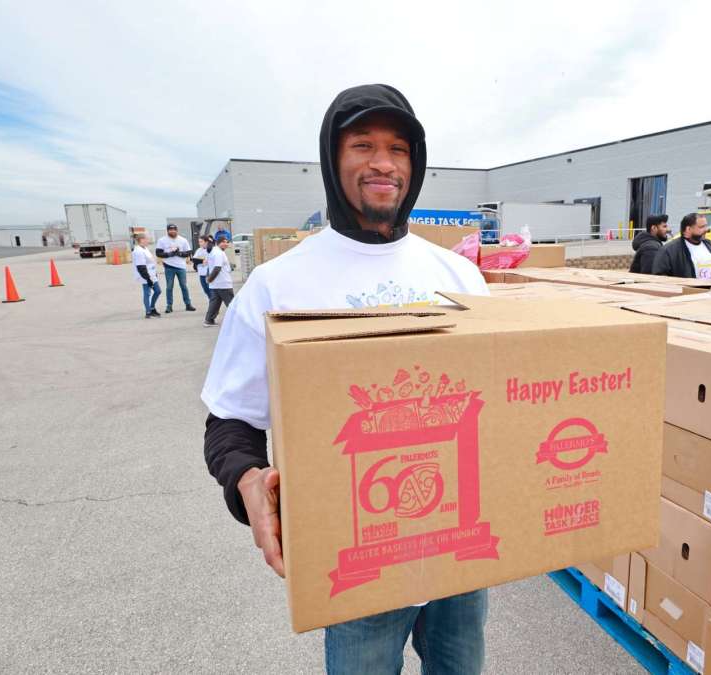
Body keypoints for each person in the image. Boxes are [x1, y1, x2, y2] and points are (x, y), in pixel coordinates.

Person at [200, 84, 489, 674]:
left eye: (399, 149)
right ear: (333, 161)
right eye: (363, 145)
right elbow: (230, 422)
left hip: (460, 558)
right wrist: (247, 481)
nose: (383, 162)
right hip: (359, 561)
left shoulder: (460, 277)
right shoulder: (279, 287)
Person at [651, 212, 711, 280]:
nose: (707, 230)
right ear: (688, 229)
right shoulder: (668, 251)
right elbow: (660, 278)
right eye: (702, 227)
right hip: (691, 293)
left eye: (706, 226)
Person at [155, 224, 196, 313]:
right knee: (169, 287)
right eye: (170, 230)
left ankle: (188, 304)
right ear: (167, 230)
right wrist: (169, 254)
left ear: (177, 230)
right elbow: (158, 253)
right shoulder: (162, 240)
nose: (172, 231)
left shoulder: (183, 240)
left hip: (181, 267)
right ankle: (169, 306)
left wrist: (179, 253)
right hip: (169, 267)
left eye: (174, 230)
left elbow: (189, 252)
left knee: (184, 286)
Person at [202, 234, 234, 327]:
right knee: (231, 303)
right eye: (223, 242)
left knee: (214, 303)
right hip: (223, 283)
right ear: (218, 243)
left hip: (216, 284)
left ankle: (209, 320)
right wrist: (209, 279)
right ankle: (238, 320)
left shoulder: (213, 252)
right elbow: (217, 268)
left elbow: (212, 266)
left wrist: (210, 279)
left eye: (227, 242)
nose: (226, 244)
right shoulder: (219, 253)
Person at [132, 233, 161, 318]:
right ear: (142, 240)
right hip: (145, 275)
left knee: (158, 291)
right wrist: (148, 279)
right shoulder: (138, 251)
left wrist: (154, 273)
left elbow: (150, 262)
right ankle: (148, 312)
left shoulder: (145, 248)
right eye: (147, 239)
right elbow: (141, 267)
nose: (148, 240)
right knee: (147, 293)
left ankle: (152, 308)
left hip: (151, 274)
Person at [192, 235, 212, 299]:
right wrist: (202, 261)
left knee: (211, 290)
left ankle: (213, 304)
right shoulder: (199, 250)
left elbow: (209, 260)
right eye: (199, 242)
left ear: (206, 242)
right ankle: (212, 302)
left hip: (208, 274)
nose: (199, 243)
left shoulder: (211, 250)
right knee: (205, 290)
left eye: (201, 242)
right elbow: (194, 259)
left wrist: (202, 261)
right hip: (201, 274)